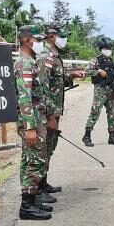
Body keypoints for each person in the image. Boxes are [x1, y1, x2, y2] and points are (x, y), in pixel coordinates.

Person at [38, 21, 85, 194]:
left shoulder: (55, 56)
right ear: (51, 37)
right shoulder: (45, 57)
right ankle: (38, 188)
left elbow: (55, 83)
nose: (64, 39)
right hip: (47, 113)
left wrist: (70, 75)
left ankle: (43, 183)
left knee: (49, 148)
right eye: (61, 36)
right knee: (43, 150)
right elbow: (41, 89)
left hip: (54, 111)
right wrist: (50, 116)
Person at [15, 24, 54, 221]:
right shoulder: (25, 64)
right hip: (31, 121)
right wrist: (30, 127)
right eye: (38, 40)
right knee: (35, 161)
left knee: (29, 160)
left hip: (36, 119)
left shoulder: (29, 61)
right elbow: (24, 97)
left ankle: (31, 199)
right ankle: (27, 206)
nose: (41, 43)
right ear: (28, 41)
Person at [83, 37, 114, 147]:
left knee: (113, 114)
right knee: (95, 113)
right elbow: (86, 72)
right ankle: (87, 136)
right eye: (106, 48)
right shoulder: (95, 60)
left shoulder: (111, 61)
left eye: (109, 48)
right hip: (100, 91)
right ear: (101, 48)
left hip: (111, 91)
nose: (108, 50)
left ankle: (112, 136)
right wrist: (98, 71)